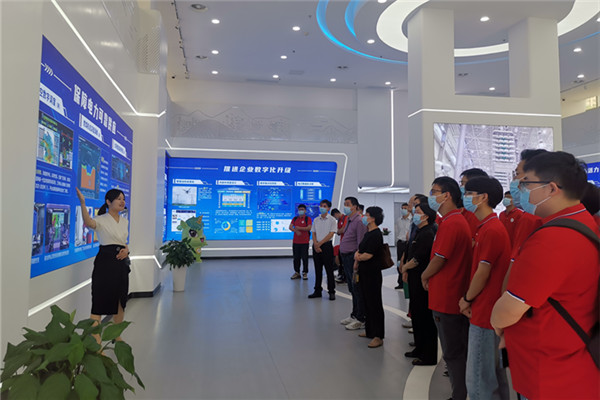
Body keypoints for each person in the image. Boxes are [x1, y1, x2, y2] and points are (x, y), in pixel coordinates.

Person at [491, 151, 600, 399]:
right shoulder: (583, 222)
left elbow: (509, 309)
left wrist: (498, 324)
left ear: (551, 188)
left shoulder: (553, 239)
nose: (520, 189)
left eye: (526, 183)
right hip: (574, 363)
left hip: (551, 372)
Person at [421, 177, 472, 400]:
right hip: (448, 294)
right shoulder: (452, 221)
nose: (431, 196)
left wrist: (424, 275)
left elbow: (440, 258)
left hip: (447, 296)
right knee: (455, 351)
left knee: (453, 352)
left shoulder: (452, 223)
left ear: (447, 195)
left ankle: (459, 395)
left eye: (434, 192)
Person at [459, 177, 510, 400]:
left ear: (483, 197)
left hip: (485, 313)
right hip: (487, 310)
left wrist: (467, 298)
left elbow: (483, 272)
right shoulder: (487, 227)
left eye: (469, 193)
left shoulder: (491, 230)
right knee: (493, 375)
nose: (465, 197)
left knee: (479, 381)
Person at [76, 187, 130, 342]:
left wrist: (127, 249)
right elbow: (88, 222)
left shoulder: (125, 221)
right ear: (108, 202)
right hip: (105, 264)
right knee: (99, 301)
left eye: (123, 199)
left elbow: (122, 241)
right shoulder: (101, 219)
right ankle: (96, 342)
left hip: (121, 264)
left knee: (120, 300)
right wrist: (83, 202)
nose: (122, 201)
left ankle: (116, 335)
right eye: (118, 199)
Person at [401, 201, 438, 365]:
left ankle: (428, 355)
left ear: (426, 216)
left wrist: (405, 267)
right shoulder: (419, 231)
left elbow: (418, 258)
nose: (414, 214)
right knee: (416, 314)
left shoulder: (428, 233)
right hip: (414, 278)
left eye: (418, 212)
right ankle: (419, 347)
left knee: (424, 317)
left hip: (422, 279)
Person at [354, 206, 385, 348]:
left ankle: (378, 335)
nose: (364, 217)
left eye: (366, 215)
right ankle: (370, 330)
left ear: (373, 218)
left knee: (375, 304)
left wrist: (358, 257)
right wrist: (358, 256)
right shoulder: (368, 233)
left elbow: (368, 254)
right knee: (366, 302)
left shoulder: (376, 234)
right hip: (364, 272)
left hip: (372, 274)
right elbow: (361, 250)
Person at [339, 196, 368, 330]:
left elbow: (360, 243)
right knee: (352, 288)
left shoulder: (359, 221)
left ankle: (361, 318)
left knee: (357, 289)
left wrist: (357, 260)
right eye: (344, 204)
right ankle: (354, 314)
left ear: (355, 206)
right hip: (346, 258)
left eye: (348, 204)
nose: (345, 207)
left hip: (353, 258)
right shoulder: (349, 220)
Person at [308, 200, 337, 300]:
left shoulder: (332, 220)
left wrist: (319, 244)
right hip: (316, 246)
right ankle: (317, 290)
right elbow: (313, 232)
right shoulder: (316, 220)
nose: (322, 208)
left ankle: (331, 291)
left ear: (328, 208)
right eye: (321, 206)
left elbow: (331, 234)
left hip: (326, 246)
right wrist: (315, 244)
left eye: (324, 206)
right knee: (317, 269)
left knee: (329, 270)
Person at [460, 168, 489, 239]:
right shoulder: (466, 210)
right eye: (461, 183)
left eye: (464, 184)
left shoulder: (476, 215)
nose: (461, 187)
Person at [289, 204, 312, 280]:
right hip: (296, 242)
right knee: (296, 258)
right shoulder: (295, 218)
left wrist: (299, 228)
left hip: (304, 242)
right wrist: (296, 230)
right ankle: (297, 272)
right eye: (299, 209)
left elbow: (309, 228)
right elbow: (290, 227)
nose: (301, 211)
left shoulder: (307, 219)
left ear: (305, 210)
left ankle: (305, 272)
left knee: (305, 258)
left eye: (302, 209)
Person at [395, 202, 412, 289]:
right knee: (399, 263)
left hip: (408, 242)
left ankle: (407, 281)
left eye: (405, 208)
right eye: (402, 208)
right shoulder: (399, 220)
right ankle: (400, 282)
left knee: (406, 261)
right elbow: (398, 231)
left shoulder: (412, 219)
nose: (403, 210)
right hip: (400, 242)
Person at [331, 208, 347, 283]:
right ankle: (341, 274)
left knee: (344, 260)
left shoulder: (345, 218)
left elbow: (342, 230)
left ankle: (344, 276)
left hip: (347, 243)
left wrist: (338, 231)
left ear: (336, 214)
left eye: (334, 217)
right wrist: (338, 231)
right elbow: (338, 231)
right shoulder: (339, 221)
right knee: (340, 258)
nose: (335, 218)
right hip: (342, 242)